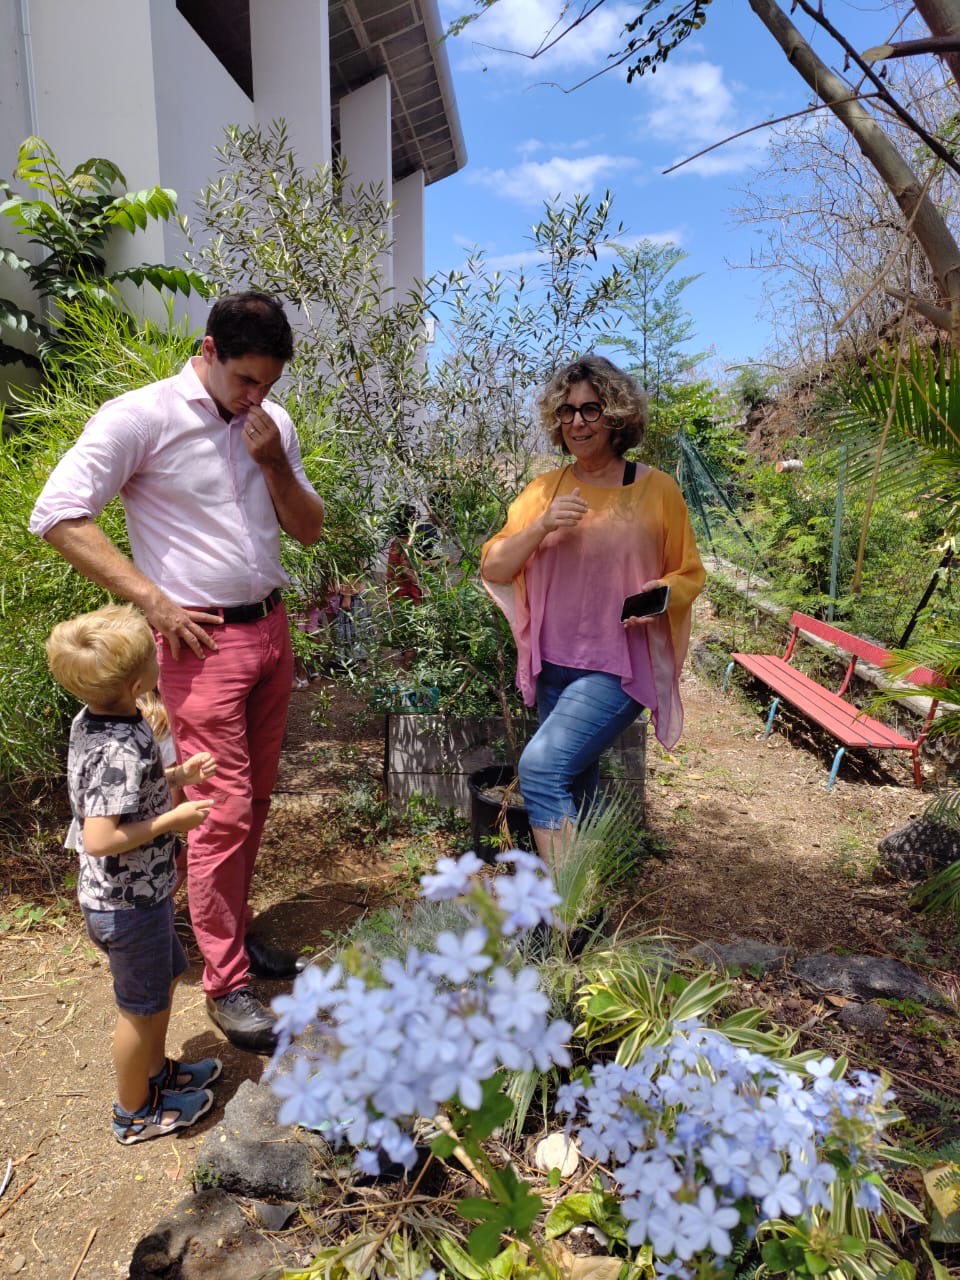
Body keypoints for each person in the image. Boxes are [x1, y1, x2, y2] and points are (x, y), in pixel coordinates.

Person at [30, 291, 325, 1054]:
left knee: (253, 800)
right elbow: (59, 512)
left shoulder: (272, 426)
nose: (258, 397)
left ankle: (228, 928)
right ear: (207, 351)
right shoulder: (142, 417)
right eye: (245, 381)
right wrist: (153, 602)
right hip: (199, 646)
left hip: (270, 629)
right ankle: (226, 982)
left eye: (270, 384)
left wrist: (271, 461)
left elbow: (309, 527)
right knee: (220, 813)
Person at [480, 354, 705, 871]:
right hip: (554, 663)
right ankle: (592, 901)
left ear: (617, 415)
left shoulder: (657, 491)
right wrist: (540, 527)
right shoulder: (544, 491)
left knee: (539, 769)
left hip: (618, 666)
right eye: (567, 411)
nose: (578, 422)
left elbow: (689, 572)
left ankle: (567, 918)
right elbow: (493, 566)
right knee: (572, 784)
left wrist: (660, 594)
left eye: (591, 409)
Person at [46, 603, 222, 1145]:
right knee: (137, 1010)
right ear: (136, 679)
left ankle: (154, 1074)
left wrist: (175, 774)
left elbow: (126, 788)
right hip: (125, 903)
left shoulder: (102, 720)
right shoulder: (120, 744)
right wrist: (173, 817)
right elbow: (100, 837)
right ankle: (133, 1112)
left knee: (162, 983)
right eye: (152, 653)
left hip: (137, 896)